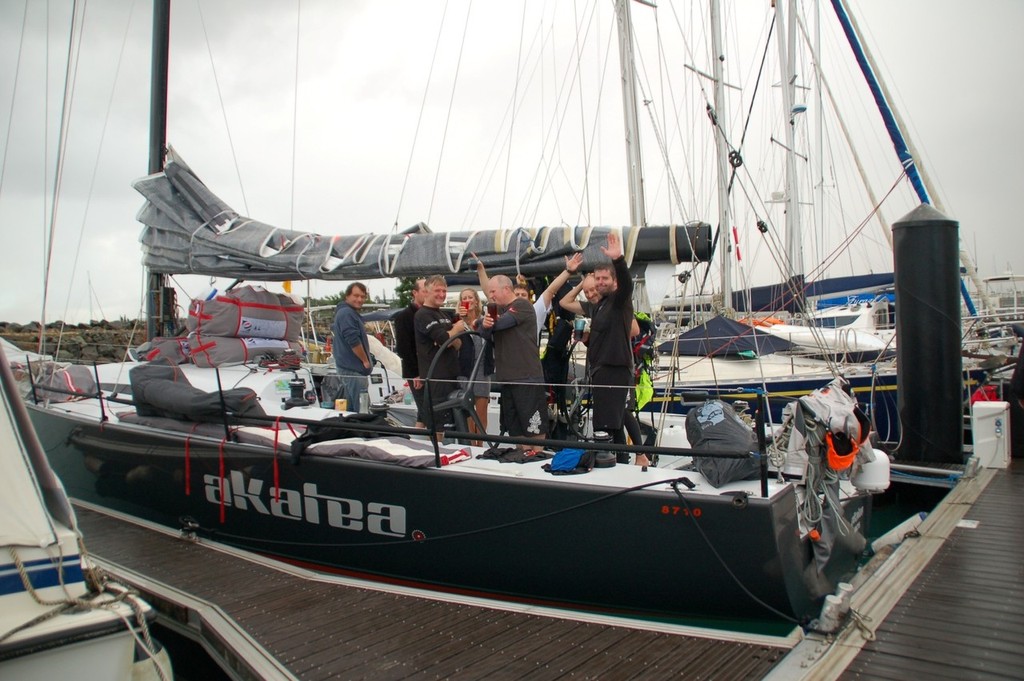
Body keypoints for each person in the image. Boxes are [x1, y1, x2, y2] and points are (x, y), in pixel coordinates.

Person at [559, 233, 649, 467]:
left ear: (613, 280)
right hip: (600, 369)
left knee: (615, 416)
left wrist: (618, 259)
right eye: (596, 279)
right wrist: (582, 281)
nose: (599, 283)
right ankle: (622, 459)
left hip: (616, 367)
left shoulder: (619, 301)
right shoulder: (596, 307)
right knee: (614, 420)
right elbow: (565, 303)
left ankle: (637, 455)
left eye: (604, 278)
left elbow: (627, 285)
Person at [481, 274, 547, 455]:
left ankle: (538, 456)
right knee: (516, 428)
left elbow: (499, 325)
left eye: (493, 291)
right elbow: (484, 332)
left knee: (534, 425)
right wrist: (483, 323)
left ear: (506, 289)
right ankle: (524, 457)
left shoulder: (522, 305)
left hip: (527, 378)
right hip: (507, 378)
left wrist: (485, 323)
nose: (491, 296)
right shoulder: (500, 312)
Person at [474, 256, 576, 342]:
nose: (520, 297)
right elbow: (489, 292)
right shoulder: (503, 309)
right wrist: (480, 269)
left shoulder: (534, 309)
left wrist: (568, 271)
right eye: (517, 294)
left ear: (529, 298)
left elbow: (550, 290)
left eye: (523, 295)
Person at [414, 275, 464, 437]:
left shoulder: (444, 315)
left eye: (444, 291)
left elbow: (457, 344)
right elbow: (446, 340)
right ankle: (436, 457)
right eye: (437, 290)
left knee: (453, 424)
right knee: (439, 426)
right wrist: (455, 330)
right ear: (426, 292)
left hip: (451, 377)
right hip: (436, 378)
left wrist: (449, 336)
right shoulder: (422, 315)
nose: (441, 294)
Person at [331, 282, 372, 411]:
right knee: (363, 409)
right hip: (352, 370)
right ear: (347, 296)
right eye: (356, 295)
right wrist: (365, 360)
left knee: (350, 410)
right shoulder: (346, 313)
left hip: (350, 369)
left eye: (363, 297)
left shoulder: (347, 312)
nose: (359, 299)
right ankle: (364, 431)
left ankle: (350, 430)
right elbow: (353, 340)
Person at [456, 287, 490, 443]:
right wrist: (462, 320)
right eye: (465, 298)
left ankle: (481, 443)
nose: (468, 300)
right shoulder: (457, 322)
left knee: (482, 411)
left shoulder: (484, 320)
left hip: (483, 369)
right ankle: (471, 443)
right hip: (466, 369)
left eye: (470, 297)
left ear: (476, 301)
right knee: (468, 410)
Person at [393, 278, 427, 427]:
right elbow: (403, 348)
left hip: (430, 371)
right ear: (415, 292)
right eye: (425, 290)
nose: (429, 294)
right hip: (416, 372)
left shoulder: (433, 314)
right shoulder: (404, 316)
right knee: (427, 410)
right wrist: (416, 373)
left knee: (424, 411)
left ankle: (418, 441)